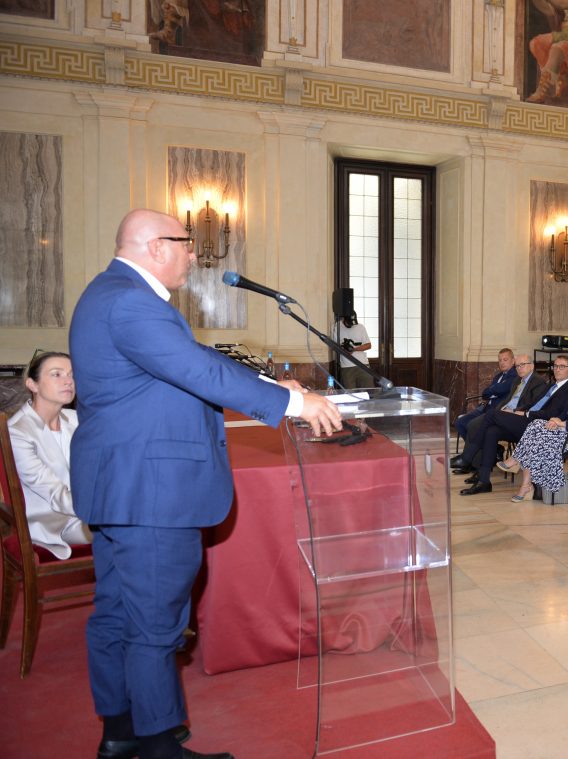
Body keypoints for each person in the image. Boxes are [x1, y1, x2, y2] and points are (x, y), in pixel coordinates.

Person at [69, 209, 342, 759]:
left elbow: (184, 364)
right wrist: (294, 403)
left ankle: (120, 731)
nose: (194, 255)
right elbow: (195, 370)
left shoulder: (110, 293)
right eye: (186, 243)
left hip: (124, 487)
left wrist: (272, 384)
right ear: (155, 246)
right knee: (154, 623)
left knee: (119, 613)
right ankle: (157, 744)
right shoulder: (130, 301)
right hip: (152, 491)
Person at [6, 351, 91, 559]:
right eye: (56, 374)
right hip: (51, 522)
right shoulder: (17, 432)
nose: (68, 381)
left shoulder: (77, 419)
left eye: (72, 374)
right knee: (128, 528)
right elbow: (54, 493)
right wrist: (102, 508)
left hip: (83, 511)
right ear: (32, 385)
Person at [459, 355, 568, 495]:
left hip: (538, 428)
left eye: (561, 367)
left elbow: (550, 414)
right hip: (526, 421)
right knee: (492, 431)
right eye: (555, 366)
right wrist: (516, 411)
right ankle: (483, 481)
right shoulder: (552, 386)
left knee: (491, 414)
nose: (557, 369)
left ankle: (467, 457)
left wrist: (525, 414)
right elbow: (533, 403)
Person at [498, 364, 568, 502]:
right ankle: (525, 482)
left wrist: (563, 424)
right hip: (565, 434)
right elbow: (564, 413)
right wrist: (555, 420)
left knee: (537, 440)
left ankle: (518, 465)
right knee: (536, 424)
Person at [452, 353, 546, 472]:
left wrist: (512, 411)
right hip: (503, 414)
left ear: (532, 366)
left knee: (477, 424)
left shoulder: (538, 382)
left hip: (518, 418)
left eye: (522, 365)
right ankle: (478, 469)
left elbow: (532, 405)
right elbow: (505, 399)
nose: (519, 368)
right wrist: (500, 409)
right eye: (517, 366)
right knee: (478, 427)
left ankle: (467, 459)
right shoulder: (517, 380)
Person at [453, 348, 517, 446]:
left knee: (471, 425)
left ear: (513, 361)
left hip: (496, 412)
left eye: (505, 360)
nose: (502, 363)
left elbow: (501, 389)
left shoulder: (515, 376)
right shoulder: (498, 376)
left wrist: (493, 389)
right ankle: (482, 449)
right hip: (485, 408)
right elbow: (485, 394)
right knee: (460, 423)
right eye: (500, 360)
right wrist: (494, 390)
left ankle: (479, 449)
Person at [335, 310, 373, 389]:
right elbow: (335, 346)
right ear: (344, 319)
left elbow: (368, 345)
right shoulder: (336, 328)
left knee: (369, 391)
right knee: (350, 393)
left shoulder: (360, 327)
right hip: (347, 367)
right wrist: (344, 350)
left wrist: (354, 349)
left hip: (363, 364)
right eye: (349, 323)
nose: (351, 325)